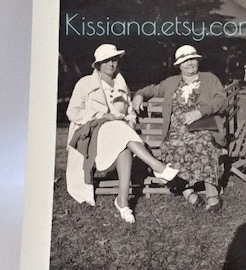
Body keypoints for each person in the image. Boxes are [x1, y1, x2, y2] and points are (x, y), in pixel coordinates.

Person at [66, 44, 179, 223]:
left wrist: (130, 122)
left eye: (114, 59)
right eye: (106, 61)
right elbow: (72, 112)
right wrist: (104, 116)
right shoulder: (85, 83)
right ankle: (158, 167)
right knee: (118, 128)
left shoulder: (121, 83)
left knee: (123, 144)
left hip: (117, 135)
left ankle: (123, 202)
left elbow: (130, 113)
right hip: (91, 136)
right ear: (98, 65)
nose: (111, 64)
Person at [132, 45, 228, 212]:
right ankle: (186, 190)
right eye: (185, 61)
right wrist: (139, 95)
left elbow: (221, 100)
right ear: (179, 65)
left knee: (204, 142)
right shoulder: (171, 83)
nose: (190, 63)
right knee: (171, 146)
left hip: (203, 126)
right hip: (176, 131)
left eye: (192, 59)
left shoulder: (209, 79)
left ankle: (212, 194)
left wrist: (200, 111)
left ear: (198, 60)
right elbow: (151, 89)